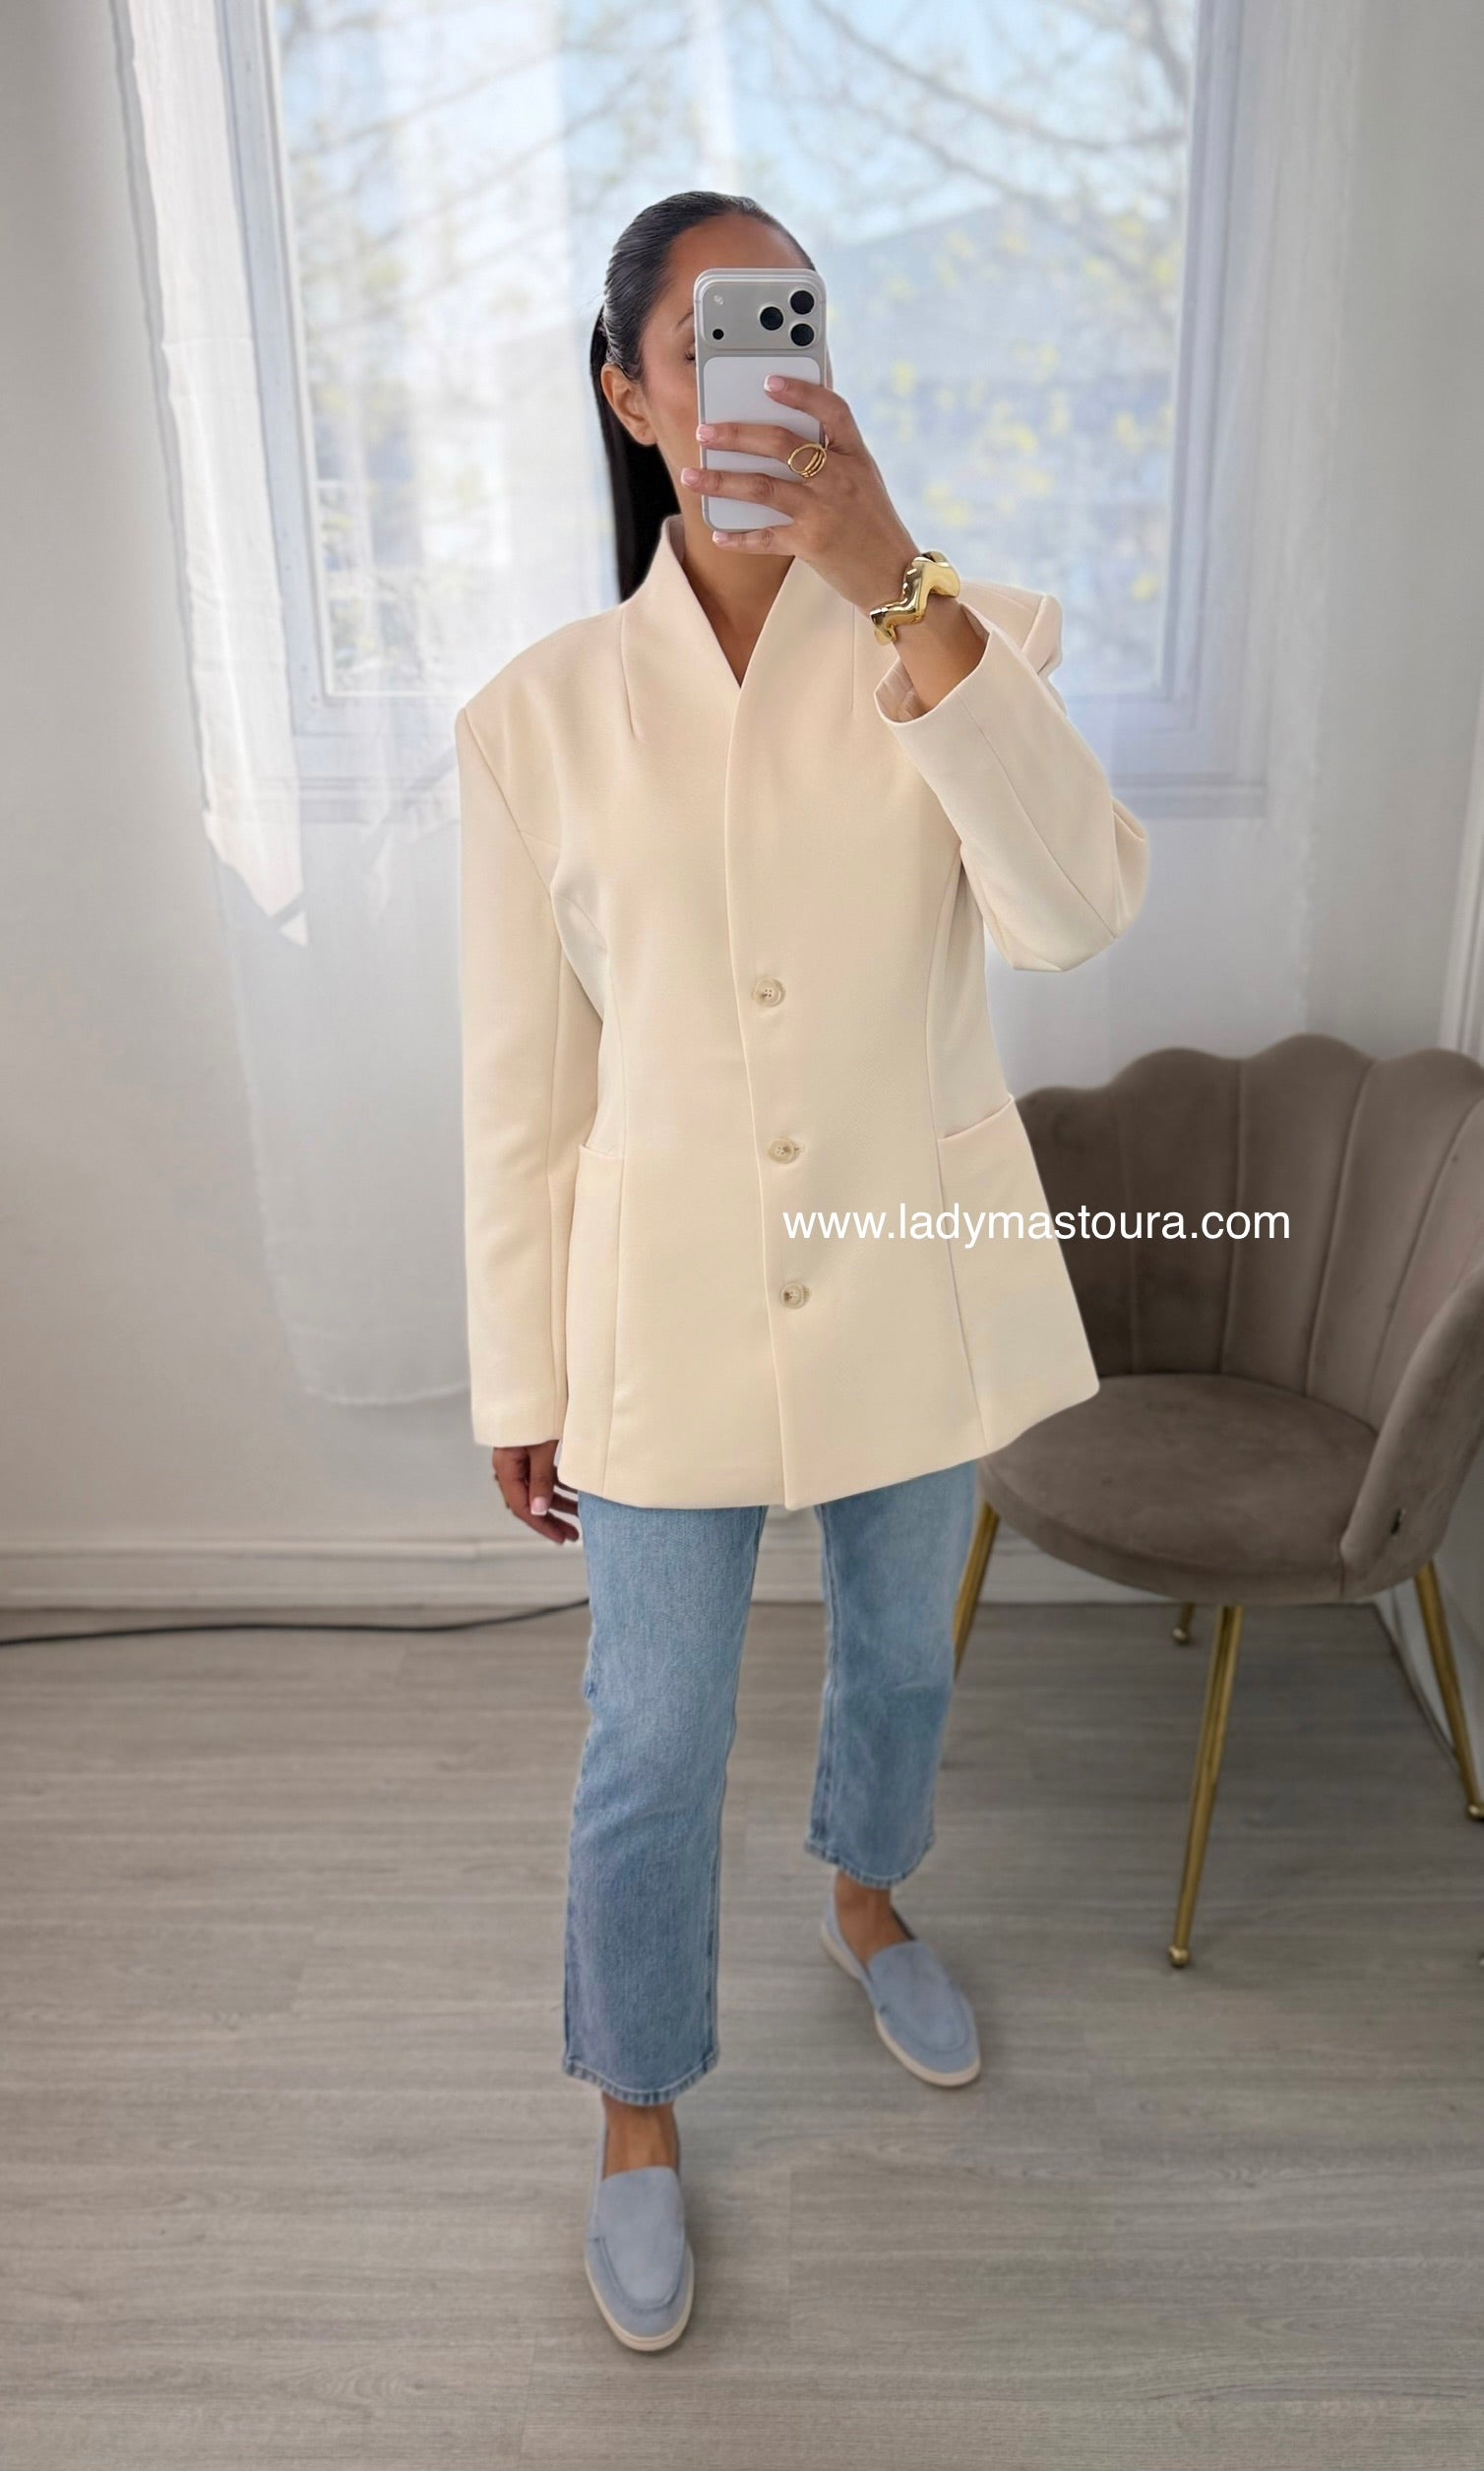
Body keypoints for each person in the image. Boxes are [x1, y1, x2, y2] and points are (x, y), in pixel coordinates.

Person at [456, 189, 1148, 2351]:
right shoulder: (536, 720)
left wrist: (895, 573)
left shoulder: (955, 632)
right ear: (631, 397)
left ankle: (866, 1898)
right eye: (715, 338)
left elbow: (1073, 912)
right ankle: (636, 2106)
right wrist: (516, 1370)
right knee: (652, 1734)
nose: (767, 369)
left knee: (902, 1662)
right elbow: (521, 1086)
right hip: (658, 1305)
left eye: (797, 327)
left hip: (908, 1273)